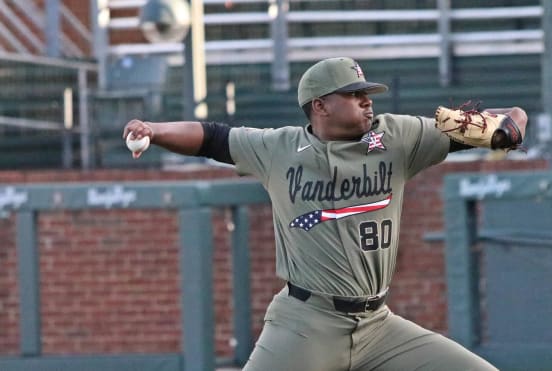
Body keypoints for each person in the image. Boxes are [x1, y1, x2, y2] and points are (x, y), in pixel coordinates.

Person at [123, 57, 527, 371]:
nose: (367, 100)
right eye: (353, 94)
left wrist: (507, 126)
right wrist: (154, 130)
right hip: (305, 323)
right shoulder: (277, 148)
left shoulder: (398, 136)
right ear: (320, 105)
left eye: (366, 92)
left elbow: (509, 117)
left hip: (378, 325)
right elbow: (211, 136)